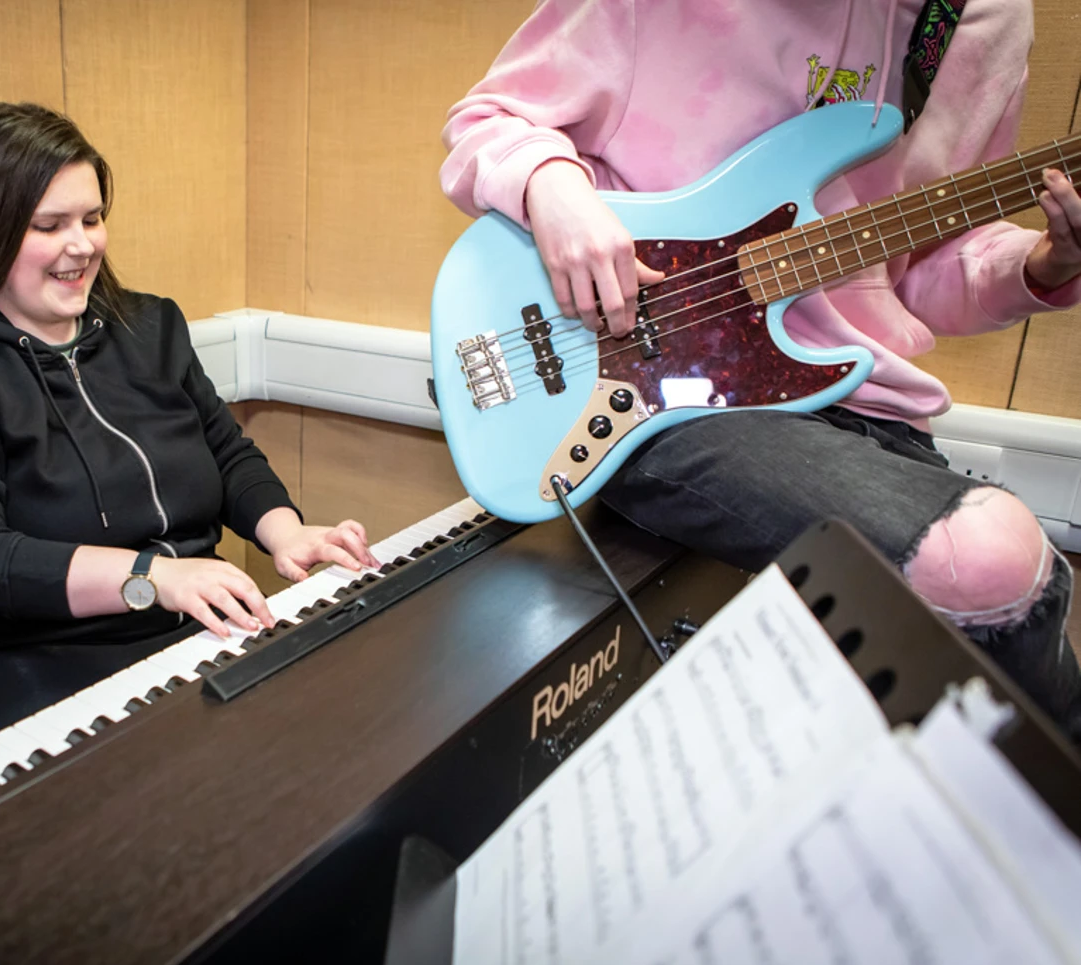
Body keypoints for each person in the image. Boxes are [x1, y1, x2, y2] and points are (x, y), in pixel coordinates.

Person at [441, 0, 1081, 738]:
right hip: (659, 387)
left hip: (863, 397)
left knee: (974, 597)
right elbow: (489, 120)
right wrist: (554, 191)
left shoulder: (983, 20)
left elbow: (919, 259)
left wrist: (1043, 264)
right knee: (990, 557)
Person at [0, 102, 377, 759]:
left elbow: (226, 453)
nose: (81, 246)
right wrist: (153, 577)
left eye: (91, 218)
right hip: (17, 663)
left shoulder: (150, 327)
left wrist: (286, 531)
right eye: (48, 226)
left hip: (180, 634)